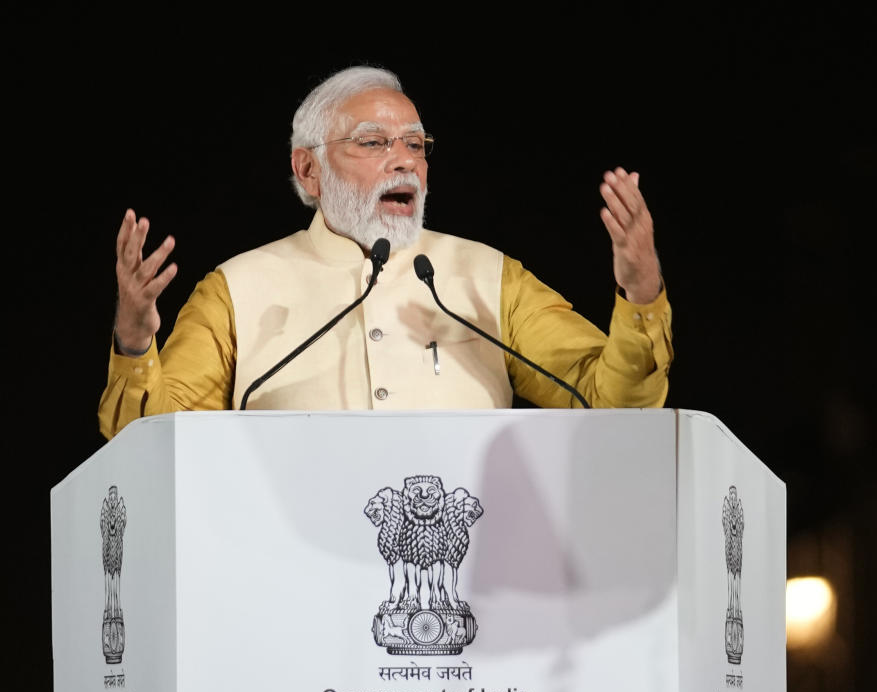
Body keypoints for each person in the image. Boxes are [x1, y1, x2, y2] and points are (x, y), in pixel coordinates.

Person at [98, 65, 672, 440]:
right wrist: (134, 340)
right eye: (373, 142)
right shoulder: (238, 288)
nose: (405, 161)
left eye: (416, 145)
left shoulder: (489, 277)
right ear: (308, 169)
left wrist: (641, 292)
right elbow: (154, 450)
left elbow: (614, 408)